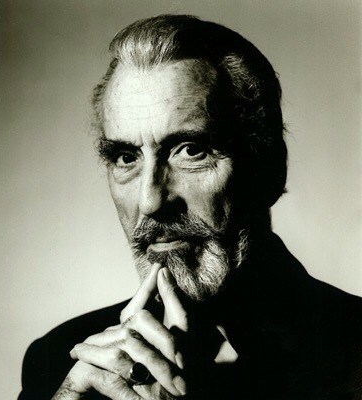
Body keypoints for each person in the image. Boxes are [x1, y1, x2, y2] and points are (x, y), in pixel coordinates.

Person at [18, 15, 362, 400]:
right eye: (126, 157)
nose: (150, 202)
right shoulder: (58, 363)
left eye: (191, 151)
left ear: (269, 169)